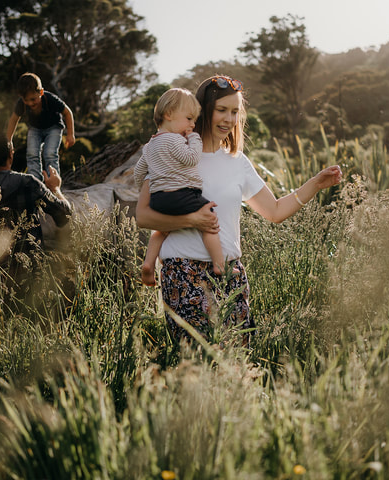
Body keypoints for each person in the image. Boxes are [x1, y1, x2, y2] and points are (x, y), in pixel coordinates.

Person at [135, 75, 342, 344]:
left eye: (235, 112)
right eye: (222, 110)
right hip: (184, 274)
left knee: (239, 361)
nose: (229, 119)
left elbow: (275, 211)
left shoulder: (237, 162)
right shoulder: (171, 150)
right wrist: (193, 219)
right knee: (197, 367)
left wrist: (315, 184)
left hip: (230, 275)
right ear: (203, 110)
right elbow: (143, 216)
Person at [133, 87, 230, 287]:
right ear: (169, 115)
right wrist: (194, 139)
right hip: (182, 194)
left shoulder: (150, 145)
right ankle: (220, 264)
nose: (192, 125)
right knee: (209, 218)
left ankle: (149, 264)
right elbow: (191, 158)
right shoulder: (175, 139)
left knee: (161, 230)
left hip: (159, 199)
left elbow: (139, 173)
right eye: (188, 119)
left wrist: (151, 188)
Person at [0, 132, 73, 281]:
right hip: (28, 273)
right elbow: (64, 215)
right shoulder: (28, 182)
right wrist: (55, 188)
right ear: (11, 154)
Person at [6, 72, 76, 181]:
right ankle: (35, 182)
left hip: (53, 128)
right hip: (35, 129)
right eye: (26, 100)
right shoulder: (22, 103)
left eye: (33, 99)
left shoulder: (50, 99)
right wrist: (9, 140)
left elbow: (67, 113)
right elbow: (13, 119)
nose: (30, 103)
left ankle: (53, 183)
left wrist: (70, 134)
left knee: (50, 154)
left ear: (41, 92)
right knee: (32, 154)